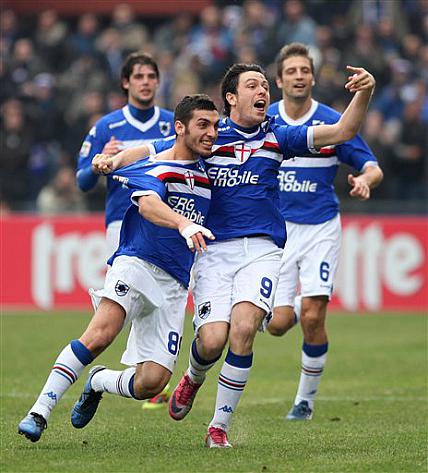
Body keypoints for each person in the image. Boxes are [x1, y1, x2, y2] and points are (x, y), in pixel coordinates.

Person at [93, 61, 376, 448]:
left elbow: (343, 131)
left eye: (265, 86)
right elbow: (151, 149)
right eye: (253, 86)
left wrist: (365, 91)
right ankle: (193, 377)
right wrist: (113, 161)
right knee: (212, 341)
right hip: (213, 250)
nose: (263, 92)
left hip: (262, 250)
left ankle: (218, 427)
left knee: (244, 330)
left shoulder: (278, 137)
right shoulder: (209, 137)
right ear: (231, 97)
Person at [17, 94, 219, 443]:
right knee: (101, 333)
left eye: (215, 125)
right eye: (203, 125)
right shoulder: (156, 165)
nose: (212, 133)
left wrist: (114, 159)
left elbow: (137, 150)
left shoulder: (209, 164)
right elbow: (149, 205)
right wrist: (183, 223)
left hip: (174, 283)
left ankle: (98, 381)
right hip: (137, 263)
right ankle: (39, 411)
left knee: (152, 382)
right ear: (180, 128)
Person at [267, 43, 384, 420]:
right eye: (292, 71)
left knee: (314, 318)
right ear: (279, 80)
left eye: (305, 70)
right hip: (278, 233)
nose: (299, 76)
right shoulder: (265, 121)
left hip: (320, 228)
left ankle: (304, 402)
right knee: (277, 325)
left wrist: (365, 180)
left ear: (313, 78)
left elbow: (372, 166)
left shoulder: (333, 121)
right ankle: (297, 306)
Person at [76, 51, 175, 257]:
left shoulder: (175, 124)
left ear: (158, 82)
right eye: (138, 76)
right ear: (126, 82)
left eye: (151, 76)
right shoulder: (106, 126)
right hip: (122, 221)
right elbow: (82, 182)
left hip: (166, 218)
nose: (145, 82)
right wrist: (98, 165)